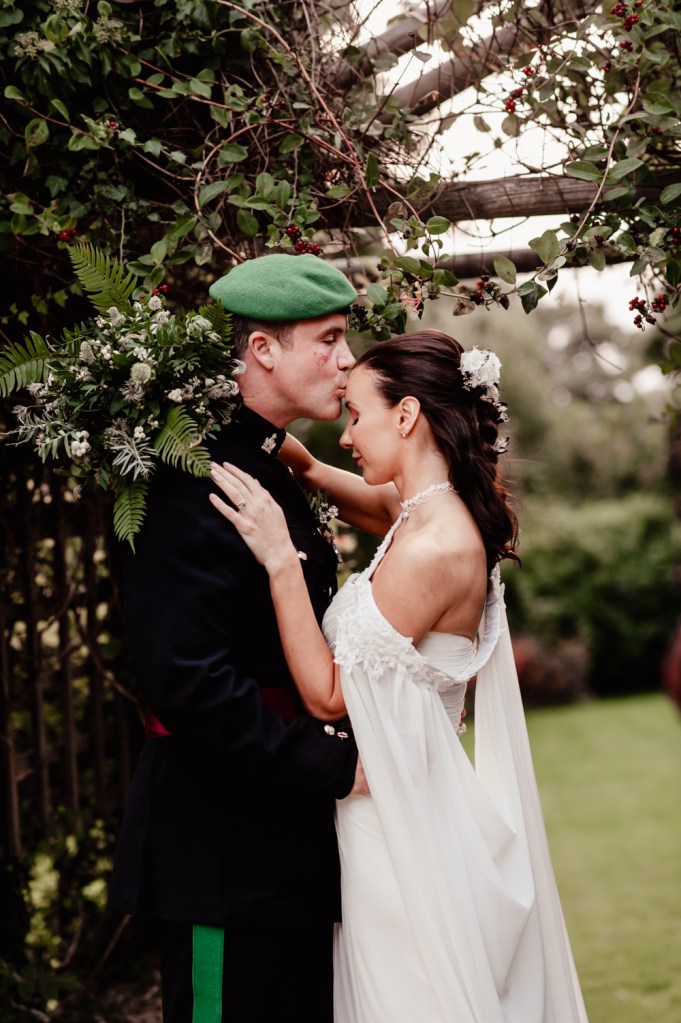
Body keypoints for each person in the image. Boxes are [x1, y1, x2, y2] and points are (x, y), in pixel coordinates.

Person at [210, 329, 589, 1022]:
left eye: (357, 415)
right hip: (395, 802)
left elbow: (328, 691)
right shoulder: (421, 512)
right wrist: (263, 434)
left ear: (407, 415)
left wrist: (280, 560)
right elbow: (339, 483)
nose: (347, 436)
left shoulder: (434, 550)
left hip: (400, 829)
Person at [108, 253, 366, 1023]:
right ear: (263, 351)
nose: (346, 359)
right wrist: (324, 761)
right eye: (327, 339)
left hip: (282, 843)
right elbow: (183, 678)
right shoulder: (193, 477)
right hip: (221, 847)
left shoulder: (267, 463)